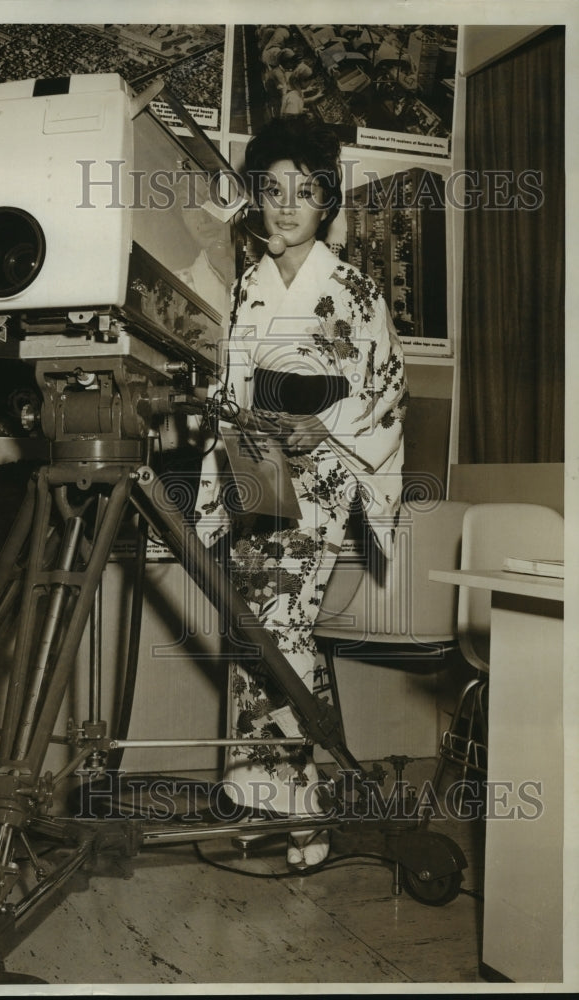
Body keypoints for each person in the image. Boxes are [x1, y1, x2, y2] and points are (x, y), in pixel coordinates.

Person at [195, 114, 408, 868]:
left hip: (317, 479)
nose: (286, 206)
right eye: (273, 190)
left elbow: (382, 389)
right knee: (257, 634)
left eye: (304, 192)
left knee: (275, 628)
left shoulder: (349, 287)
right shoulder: (246, 283)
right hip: (252, 466)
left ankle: (303, 806)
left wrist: (329, 429)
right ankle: (278, 795)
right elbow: (224, 381)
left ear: (326, 204)